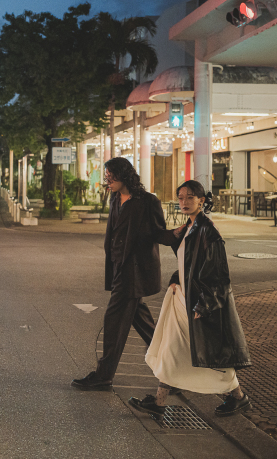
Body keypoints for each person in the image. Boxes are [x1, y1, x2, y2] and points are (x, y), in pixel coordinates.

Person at [129, 180, 252, 418]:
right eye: (180, 198)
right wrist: (177, 277)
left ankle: (238, 396)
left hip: (198, 303)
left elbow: (218, 275)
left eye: (189, 198)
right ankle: (159, 401)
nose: (183, 202)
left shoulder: (208, 231)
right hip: (184, 298)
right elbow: (188, 262)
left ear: (202, 201)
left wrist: (204, 304)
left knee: (205, 355)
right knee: (172, 350)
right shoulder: (190, 226)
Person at [72, 157, 166, 391]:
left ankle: (104, 375)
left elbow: (160, 233)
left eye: (111, 176)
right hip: (118, 268)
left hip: (134, 271)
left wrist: (186, 232)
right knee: (142, 322)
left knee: (113, 322)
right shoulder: (115, 198)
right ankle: (174, 366)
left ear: (124, 175)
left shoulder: (147, 201)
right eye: (107, 177)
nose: (108, 181)